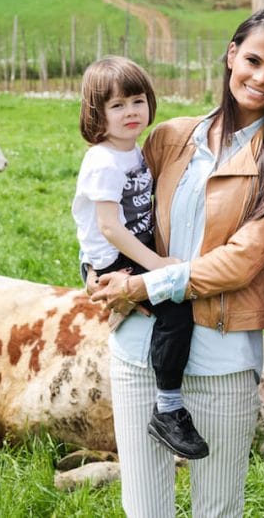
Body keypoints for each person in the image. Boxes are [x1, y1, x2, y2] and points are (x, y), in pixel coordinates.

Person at [89, 7, 264, 517]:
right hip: (138, 346)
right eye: (253, 60)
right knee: (144, 508)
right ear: (231, 55)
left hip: (219, 356)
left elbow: (241, 262)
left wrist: (145, 286)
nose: (260, 77)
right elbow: (122, 215)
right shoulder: (169, 137)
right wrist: (95, 268)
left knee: (217, 509)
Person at [71, 56, 205, 459]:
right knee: (176, 308)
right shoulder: (103, 161)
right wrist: (157, 266)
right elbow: (109, 226)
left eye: (137, 100)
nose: (130, 112)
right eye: (117, 106)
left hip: (131, 249)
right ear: (97, 114)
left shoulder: (131, 151)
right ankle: (167, 407)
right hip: (117, 259)